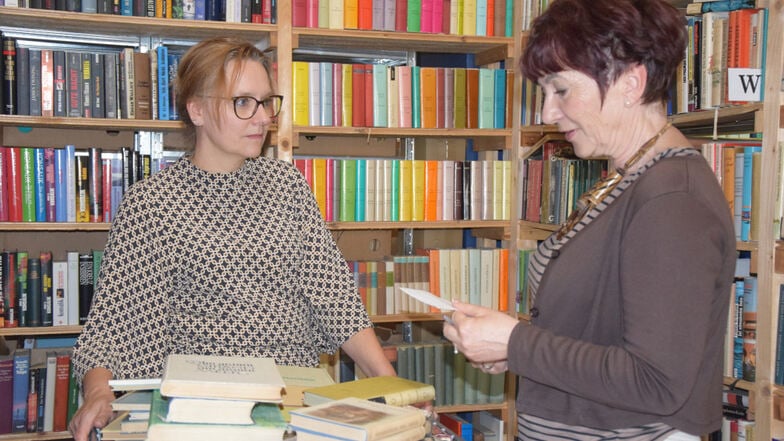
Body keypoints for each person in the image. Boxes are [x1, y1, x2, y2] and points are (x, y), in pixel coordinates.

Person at [69, 36, 396, 441]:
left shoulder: (286, 185)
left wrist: (391, 385)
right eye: (243, 102)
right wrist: (98, 392)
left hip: (293, 402)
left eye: (266, 102)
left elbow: (335, 299)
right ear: (198, 109)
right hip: (204, 410)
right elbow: (113, 325)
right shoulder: (152, 203)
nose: (262, 118)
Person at [442, 0, 736, 439]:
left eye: (561, 90)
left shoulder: (672, 200)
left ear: (630, 83)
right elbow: (601, 336)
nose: (547, 114)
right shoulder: (628, 179)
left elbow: (656, 381)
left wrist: (516, 343)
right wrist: (510, 347)